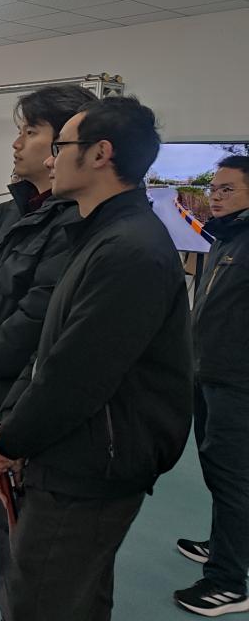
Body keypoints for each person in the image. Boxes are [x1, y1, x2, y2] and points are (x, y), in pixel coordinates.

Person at [0, 97, 193, 620]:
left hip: (89, 463)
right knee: (76, 600)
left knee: (42, 602)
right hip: (76, 451)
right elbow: (54, 348)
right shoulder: (99, 233)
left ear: (100, 153)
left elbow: (75, 375)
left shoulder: (128, 249)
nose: (50, 158)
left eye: (60, 145)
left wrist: (9, 442)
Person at [0, 85, 94, 618]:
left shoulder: (79, 220)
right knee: (4, 522)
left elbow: (40, 311)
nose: (16, 143)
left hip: (27, 392)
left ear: (68, 145)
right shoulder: (9, 214)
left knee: (33, 541)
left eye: (30, 132)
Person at [173, 155, 249, 617]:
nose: (215, 197)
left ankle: (228, 581)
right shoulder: (225, 239)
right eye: (214, 189)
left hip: (237, 382)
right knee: (218, 470)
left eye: (227, 189)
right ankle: (226, 543)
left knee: (232, 476)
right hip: (208, 374)